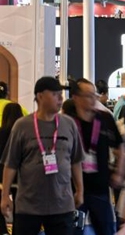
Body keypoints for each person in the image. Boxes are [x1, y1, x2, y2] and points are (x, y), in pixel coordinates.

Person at [1, 77, 83, 235]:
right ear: (39, 96)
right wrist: (5, 196)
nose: (60, 98)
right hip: (29, 206)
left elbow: (76, 161)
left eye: (61, 94)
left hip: (62, 204)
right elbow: (10, 164)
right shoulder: (22, 126)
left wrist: (80, 190)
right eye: (55, 94)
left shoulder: (69, 124)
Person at [66, 79, 125, 235]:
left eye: (95, 95)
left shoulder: (105, 118)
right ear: (76, 98)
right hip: (73, 188)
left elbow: (120, 146)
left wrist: (119, 172)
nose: (93, 99)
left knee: (105, 229)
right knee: (74, 230)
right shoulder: (68, 121)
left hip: (100, 186)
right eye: (88, 95)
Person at [0, 103, 23, 234]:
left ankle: (3, 230)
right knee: (20, 211)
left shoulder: (1, 132)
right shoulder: (22, 132)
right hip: (20, 176)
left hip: (2, 175)